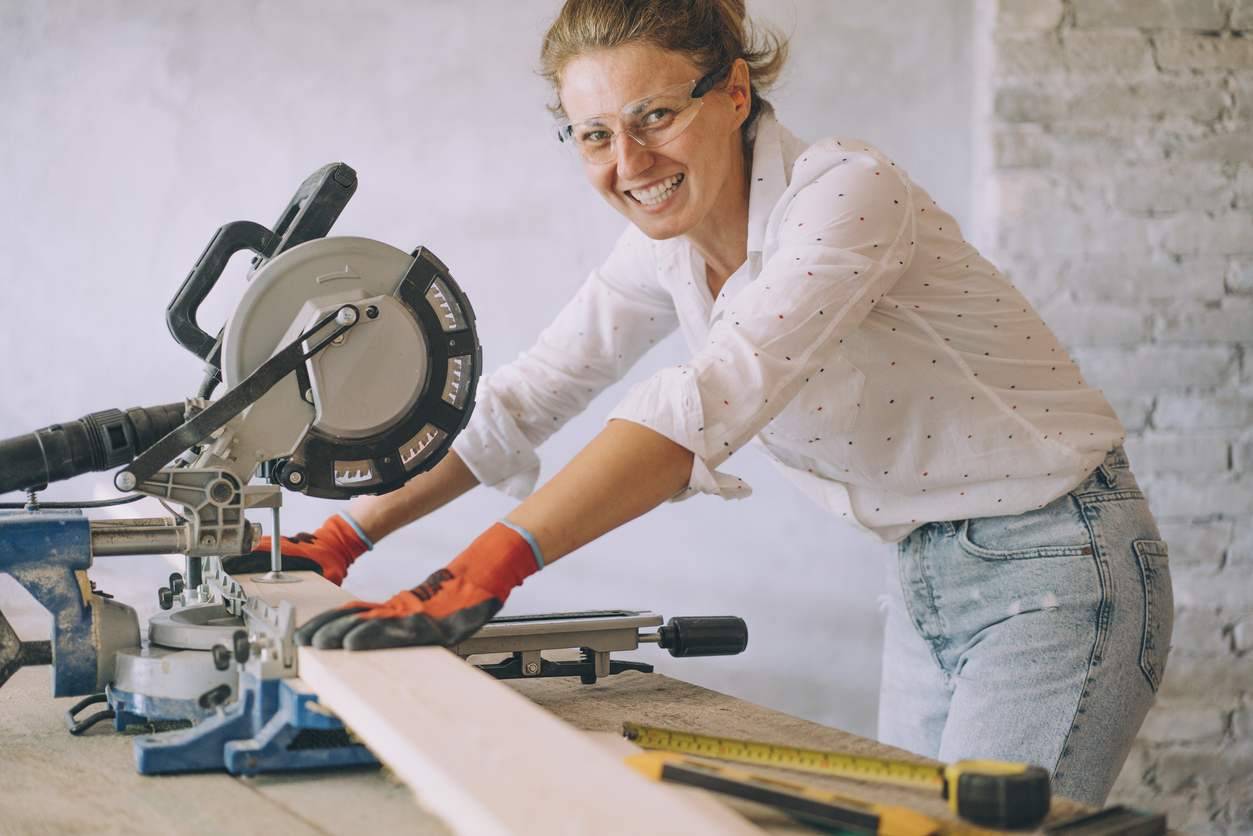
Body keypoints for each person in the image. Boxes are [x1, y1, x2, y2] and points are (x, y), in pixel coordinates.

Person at [234, 0, 1173, 807]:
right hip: (922, 575)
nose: (628, 160)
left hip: (1057, 566)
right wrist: (354, 531)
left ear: (732, 93)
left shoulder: (847, 194)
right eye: (594, 134)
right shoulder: (665, 247)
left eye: (653, 115)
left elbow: (704, 399)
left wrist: (482, 572)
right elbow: (529, 395)